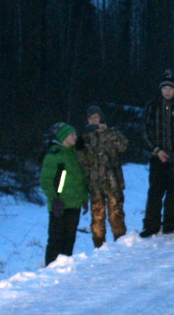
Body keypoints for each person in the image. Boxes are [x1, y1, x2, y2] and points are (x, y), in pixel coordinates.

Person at [140, 70, 174, 238]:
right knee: (155, 192)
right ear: (160, 89)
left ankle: (169, 224)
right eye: (165, 88)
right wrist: (156, 150)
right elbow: (145, 131)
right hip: (157, 156)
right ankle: (151, 225)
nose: (167, 91)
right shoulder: (152, 106)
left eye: (171, 88)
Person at [79, 106, 128, 248]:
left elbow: (124, 146)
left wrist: (108, 131)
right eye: (90, 118)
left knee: (116, 214)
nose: (94, 120)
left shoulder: (111, 132)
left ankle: (121, 244)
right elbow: (81, 159)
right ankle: (99, 248)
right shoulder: (85, 137)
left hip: (112, 182)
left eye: (96, 117)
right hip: (95, 184)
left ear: (101, 118)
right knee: (97, 217)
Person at [40, 122, 88, 266]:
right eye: (72, 134)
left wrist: (84, 198)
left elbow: (81, 178)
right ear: (63, 137)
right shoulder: (54, 155)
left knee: (70, 237)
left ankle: (66, 266)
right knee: (55, 238)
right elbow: (46, 180)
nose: (75, 137)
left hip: (75, 204)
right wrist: (54, 199)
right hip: (60, 205)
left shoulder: (75, 154)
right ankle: (50, 268)